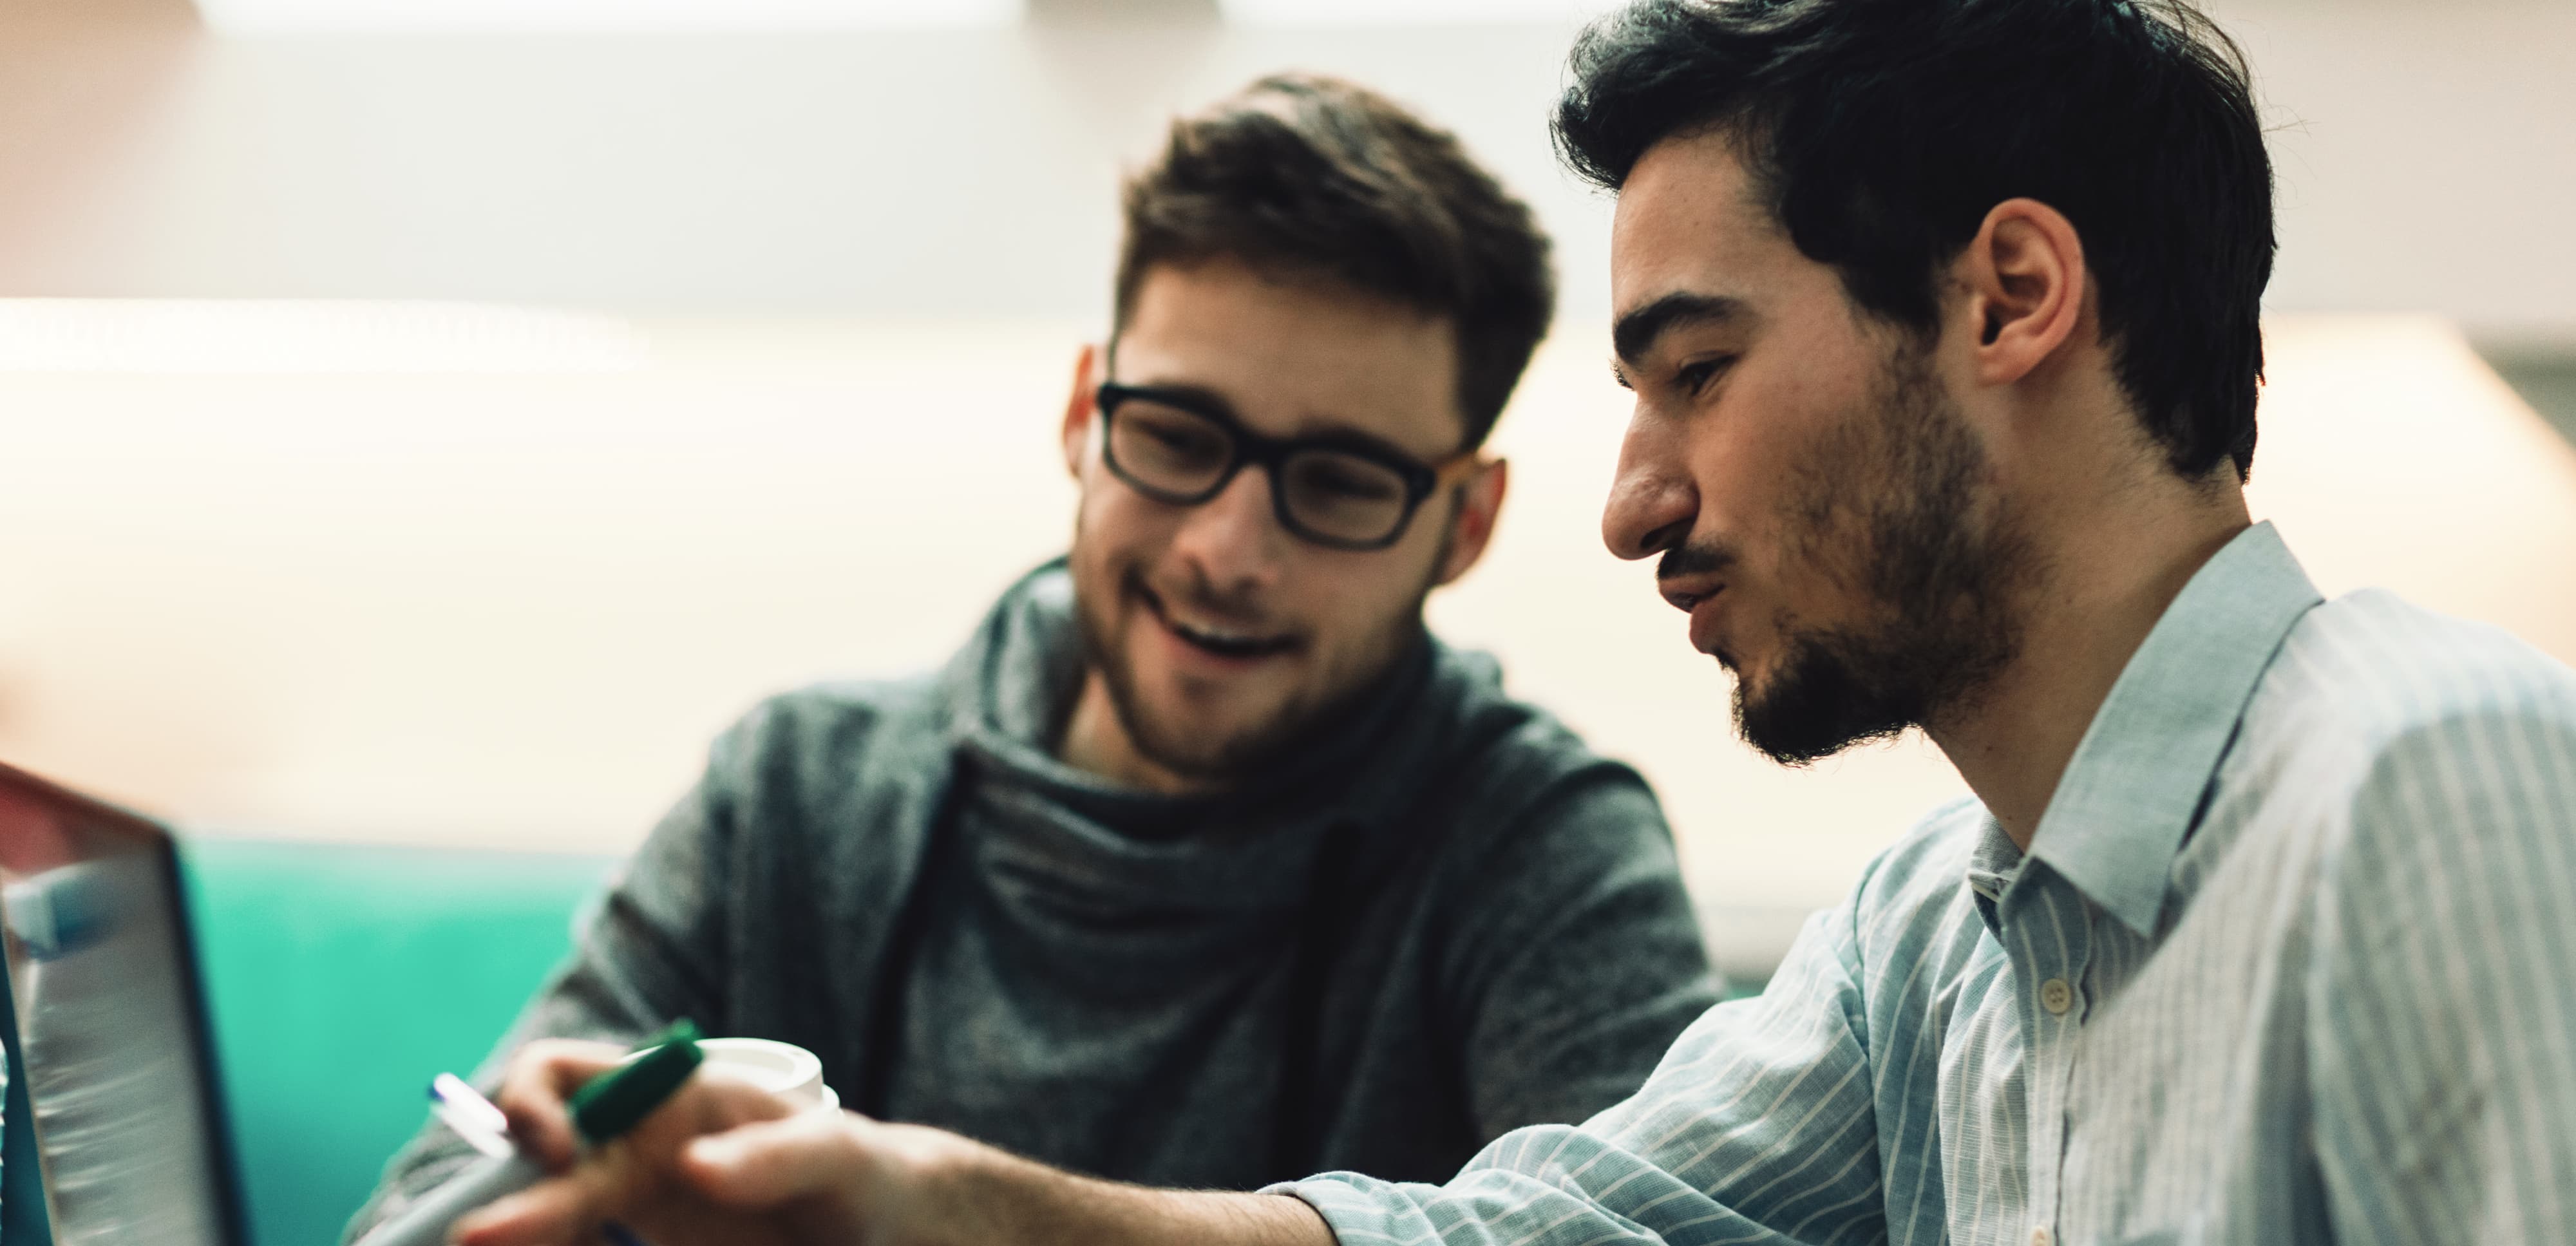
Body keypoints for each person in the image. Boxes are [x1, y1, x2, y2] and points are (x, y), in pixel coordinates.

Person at [448, 0, 2576, 1245]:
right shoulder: (1935, 931)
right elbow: (1523, 1229)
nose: (1637, 498)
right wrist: (932, 1207)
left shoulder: (2432, 787)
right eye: (1178, 443)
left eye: (1696, 371)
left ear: (2010, 296)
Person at [341, 73, 1724, 1238]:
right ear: (1082, 413)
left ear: (1463, 521)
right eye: (1176, 438)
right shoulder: (797, 792)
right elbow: (443, 1195)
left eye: (1339, 480)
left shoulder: (1539, 854)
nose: (1225, 549)